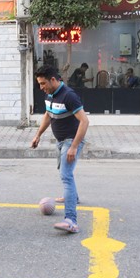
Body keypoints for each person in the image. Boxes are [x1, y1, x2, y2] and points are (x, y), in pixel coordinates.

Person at [31, 65, 89, 233]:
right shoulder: (49, 94)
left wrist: (74, 146)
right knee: (65, 172)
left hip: (71, 141)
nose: (41, 87)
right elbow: (48, 114)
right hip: (60, 141)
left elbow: (84, 121)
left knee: (66, 175)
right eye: (39, 84)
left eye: (43, 83)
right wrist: (38, 135)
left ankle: (71, 220)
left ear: (53, 80)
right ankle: (73, 197)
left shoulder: (69, 96)